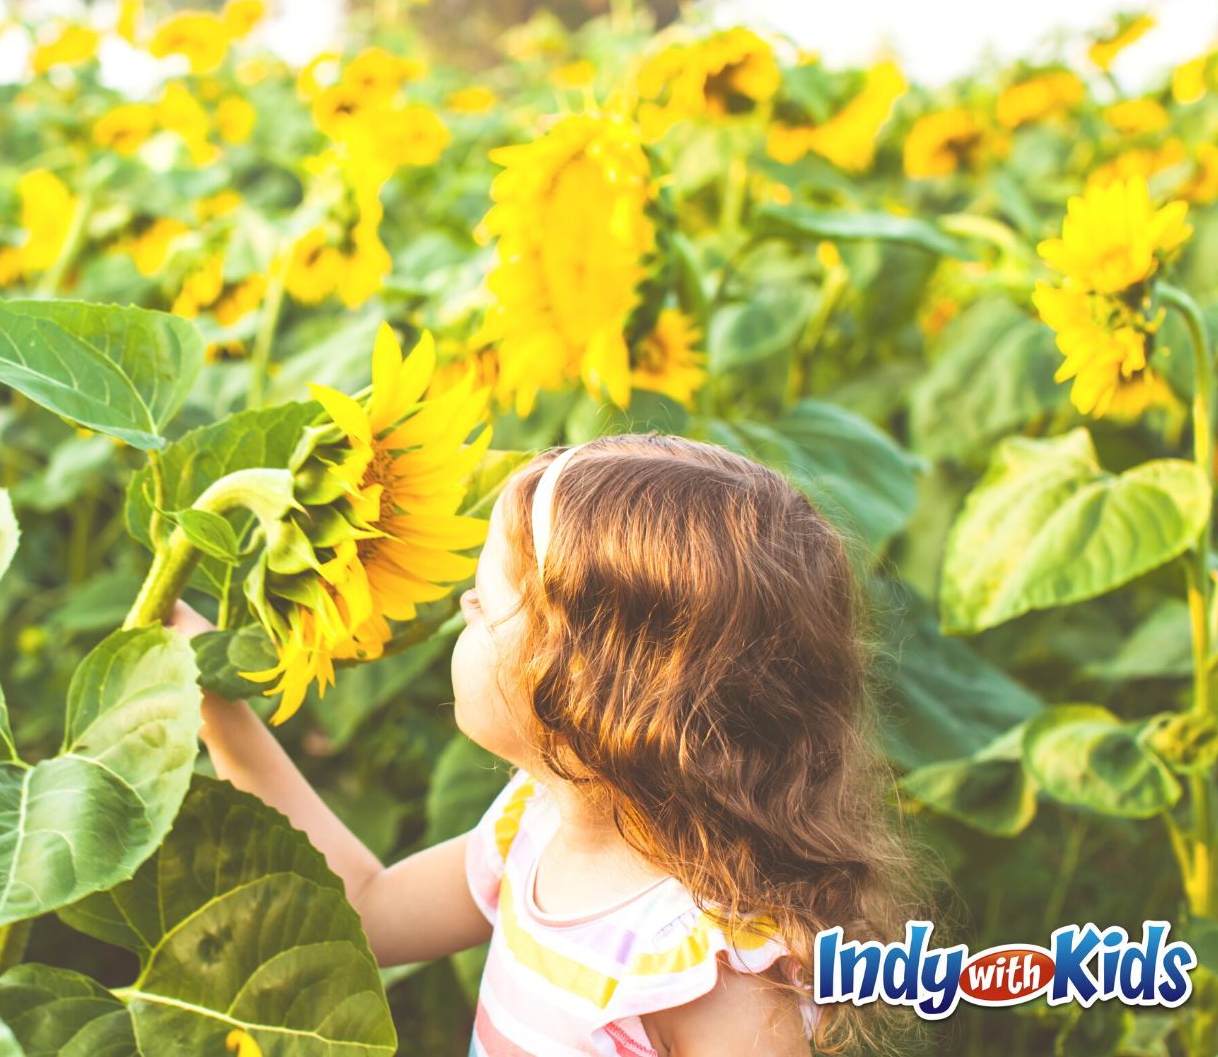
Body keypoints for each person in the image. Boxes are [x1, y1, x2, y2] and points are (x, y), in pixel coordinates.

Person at [168, 434, 916, 1056]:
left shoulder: (708, 970)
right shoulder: (532, 826)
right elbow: (366, 908)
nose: (462, 605)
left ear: (592, 687)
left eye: (486, 603)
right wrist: (216, 710)